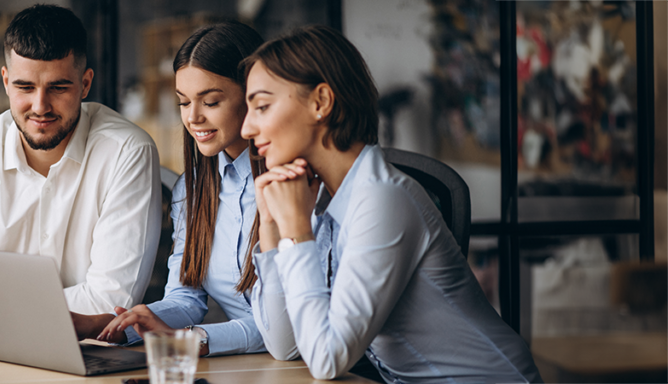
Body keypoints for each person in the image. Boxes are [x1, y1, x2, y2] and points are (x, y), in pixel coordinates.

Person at [241, 25, 542, 382]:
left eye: (261, 106)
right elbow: (284, 344)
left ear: (320, 102)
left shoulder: (383, 198)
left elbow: (326, 360)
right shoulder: (322, 197)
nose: (246, 128)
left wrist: (296, 231)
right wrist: (272, 228)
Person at [0, 4, 161, 328]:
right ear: (6, 82)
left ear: (86, 83)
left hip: (92, 364)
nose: (40, 106)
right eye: (25, 87)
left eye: (58, 87)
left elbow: (110, 303)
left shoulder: (126, 152)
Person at [73, 22, 296, 360]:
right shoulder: (191, 192)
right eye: (183, 102)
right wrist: (113, 326)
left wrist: (193, 340)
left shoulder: (293, 186)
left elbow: (287, 328)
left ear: (254, 97)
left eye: (210, 101)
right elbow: (185, 298)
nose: (193, 118)